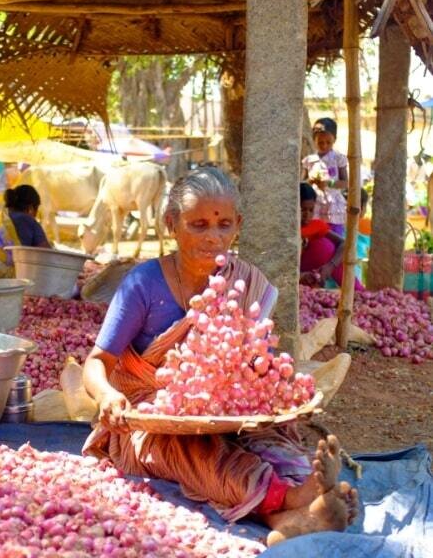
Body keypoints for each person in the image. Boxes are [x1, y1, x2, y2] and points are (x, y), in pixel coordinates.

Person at [82, 167, 359, 547]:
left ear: (238, 225)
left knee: (271, 443)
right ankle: (296, 501)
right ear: (170, 224)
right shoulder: (143, 284)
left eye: (224, 225)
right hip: (150, 416)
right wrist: (107, 396)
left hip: (227, 411)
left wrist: (271, 378)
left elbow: (251, 360)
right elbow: (98, 361)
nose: (214, 237)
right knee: (197, 455)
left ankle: (294, 514)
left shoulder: (244, 282)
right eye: (198, 225)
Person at [299, 182, 364, 291]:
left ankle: (358, 292)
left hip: (322, 274)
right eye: (302, 210)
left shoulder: (317, 226)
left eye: (311, 210)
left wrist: (330, 266)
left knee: (327, 247)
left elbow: (344, 244)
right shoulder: (289, 232)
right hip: (300, 281)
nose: (307, 215)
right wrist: (301, 276)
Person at [302, 118, 348, 236]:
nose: (324, 145)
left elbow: (345, 183)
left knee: (335, 236)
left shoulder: (338, 158)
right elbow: (302, 184)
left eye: (328, 142)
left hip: (334, 207)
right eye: (320, 142)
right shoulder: (309, 161)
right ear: (314, 141)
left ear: (334, 140)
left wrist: (329, 183)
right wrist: (310, 181)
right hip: (315, 205)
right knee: (317, 235)